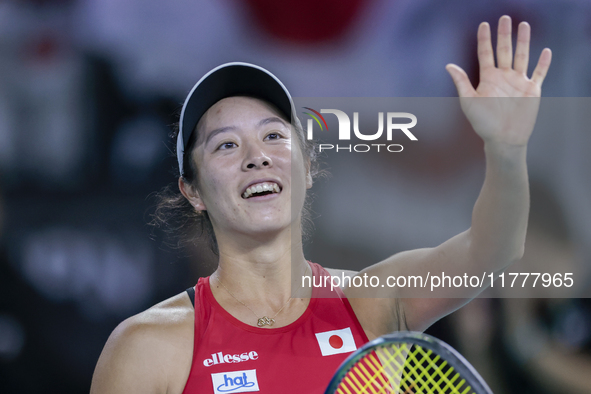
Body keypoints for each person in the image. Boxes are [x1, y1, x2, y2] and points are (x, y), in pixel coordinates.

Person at [90, 15, 551, 394]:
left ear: (308, 169)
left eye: (273, 135)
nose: (258, 156)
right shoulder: (146, 348)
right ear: (192, 192)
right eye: (226, 146)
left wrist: (506, 151)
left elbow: (494, 250)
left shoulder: (373, 301)